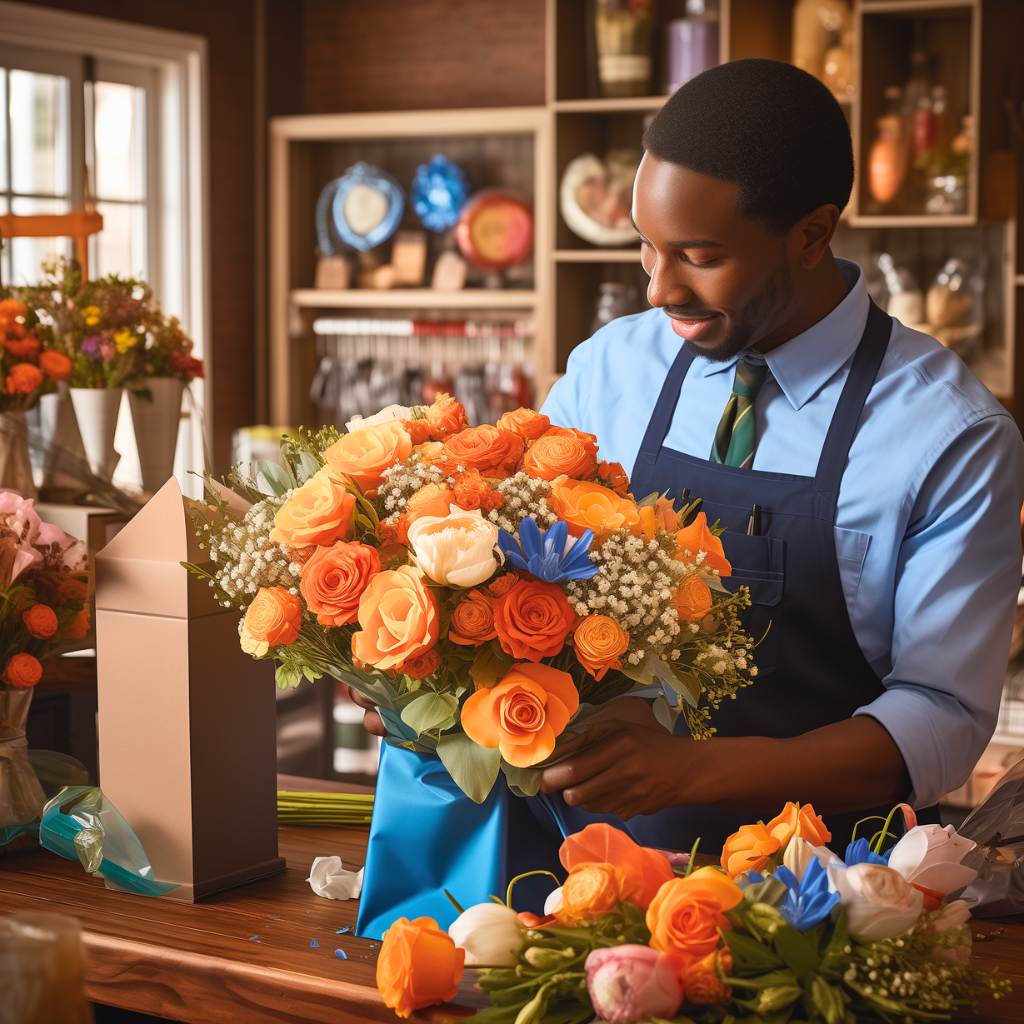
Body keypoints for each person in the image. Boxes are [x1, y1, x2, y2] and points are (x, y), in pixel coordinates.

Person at [348, 58, 1024, 853]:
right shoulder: (611, 371)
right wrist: (422, 673)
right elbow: (519, 571)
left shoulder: (951, 436)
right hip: (573, 874)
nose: (657, 289)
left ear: (812, 234)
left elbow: (939, 720)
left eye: (698, 257)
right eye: (646, 248)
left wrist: (693, 772)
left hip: (823, 901)